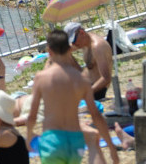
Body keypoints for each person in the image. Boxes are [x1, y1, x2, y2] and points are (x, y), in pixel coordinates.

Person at [24, 29, 118, 164]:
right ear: (69, 49)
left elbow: (32, 115)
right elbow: (96, 116)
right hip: (75, 141)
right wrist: (111, 147)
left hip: (53, 140)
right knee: (89, 147)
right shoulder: (82, 80)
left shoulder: (41, 78)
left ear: (49, 51)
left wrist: (28, 137)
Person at [64, 23, 113, 102]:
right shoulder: (84, 41)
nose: (73, 44)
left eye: (73, 41)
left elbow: (106, 78)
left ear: (82, 33)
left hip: (96, 90)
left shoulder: (97, 47)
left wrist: (86, 92)